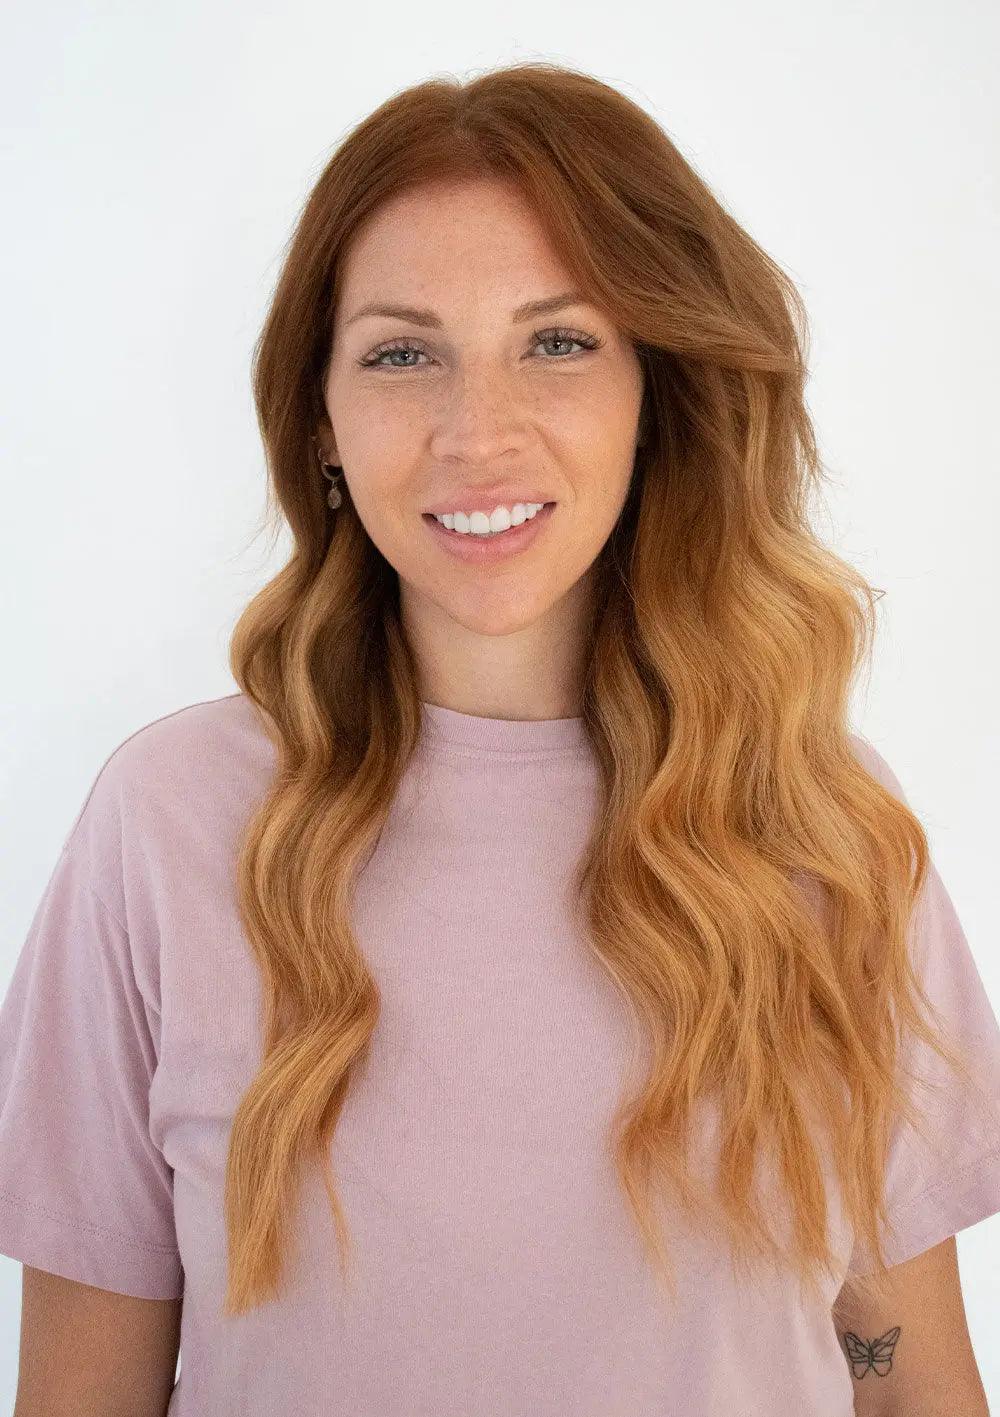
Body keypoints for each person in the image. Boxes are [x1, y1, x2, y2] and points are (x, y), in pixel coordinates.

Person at [2, 60, 998, 1417]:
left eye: (561, 340)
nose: (478, 433)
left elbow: (907, 1383)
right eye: (404, 352)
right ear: (322, 422)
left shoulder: (820, 827)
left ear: (660, 392)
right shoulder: (169, 821)